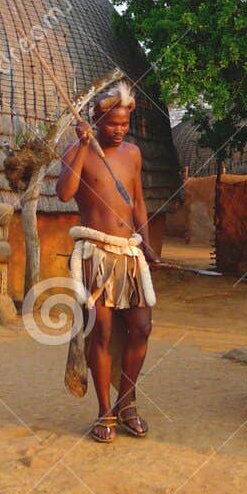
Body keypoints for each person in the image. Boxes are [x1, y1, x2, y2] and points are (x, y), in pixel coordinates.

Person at [55, 80, 159, 442]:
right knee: (101, 331)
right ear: (97, 119)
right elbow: (65, 192)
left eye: (125, 124)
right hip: (94, 255)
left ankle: (126, 403)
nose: (119, 130)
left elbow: (138, 201)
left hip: (129, 255)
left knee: (142, 328)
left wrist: (146, 242)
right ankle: (104, 411)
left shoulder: (132, 154)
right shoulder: (76, 151)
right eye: (113, 123)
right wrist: (84, 146)